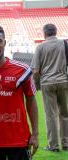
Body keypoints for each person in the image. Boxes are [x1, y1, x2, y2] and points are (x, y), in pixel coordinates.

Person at [0, 24, 39, 160]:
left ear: (5, 43)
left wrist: (35, 134)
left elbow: (32, 100)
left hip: (19, 140)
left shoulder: (23, 70)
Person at [31, 23, 68, 152]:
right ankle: (66, 143)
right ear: (56, 32)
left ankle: (53, 146)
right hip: (63, 81)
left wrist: (36, 85)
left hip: (47, 82)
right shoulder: (64, 44)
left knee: (51, 116)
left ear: (44, 33)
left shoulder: (40, 47)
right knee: (64, 114)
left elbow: (35, 70)